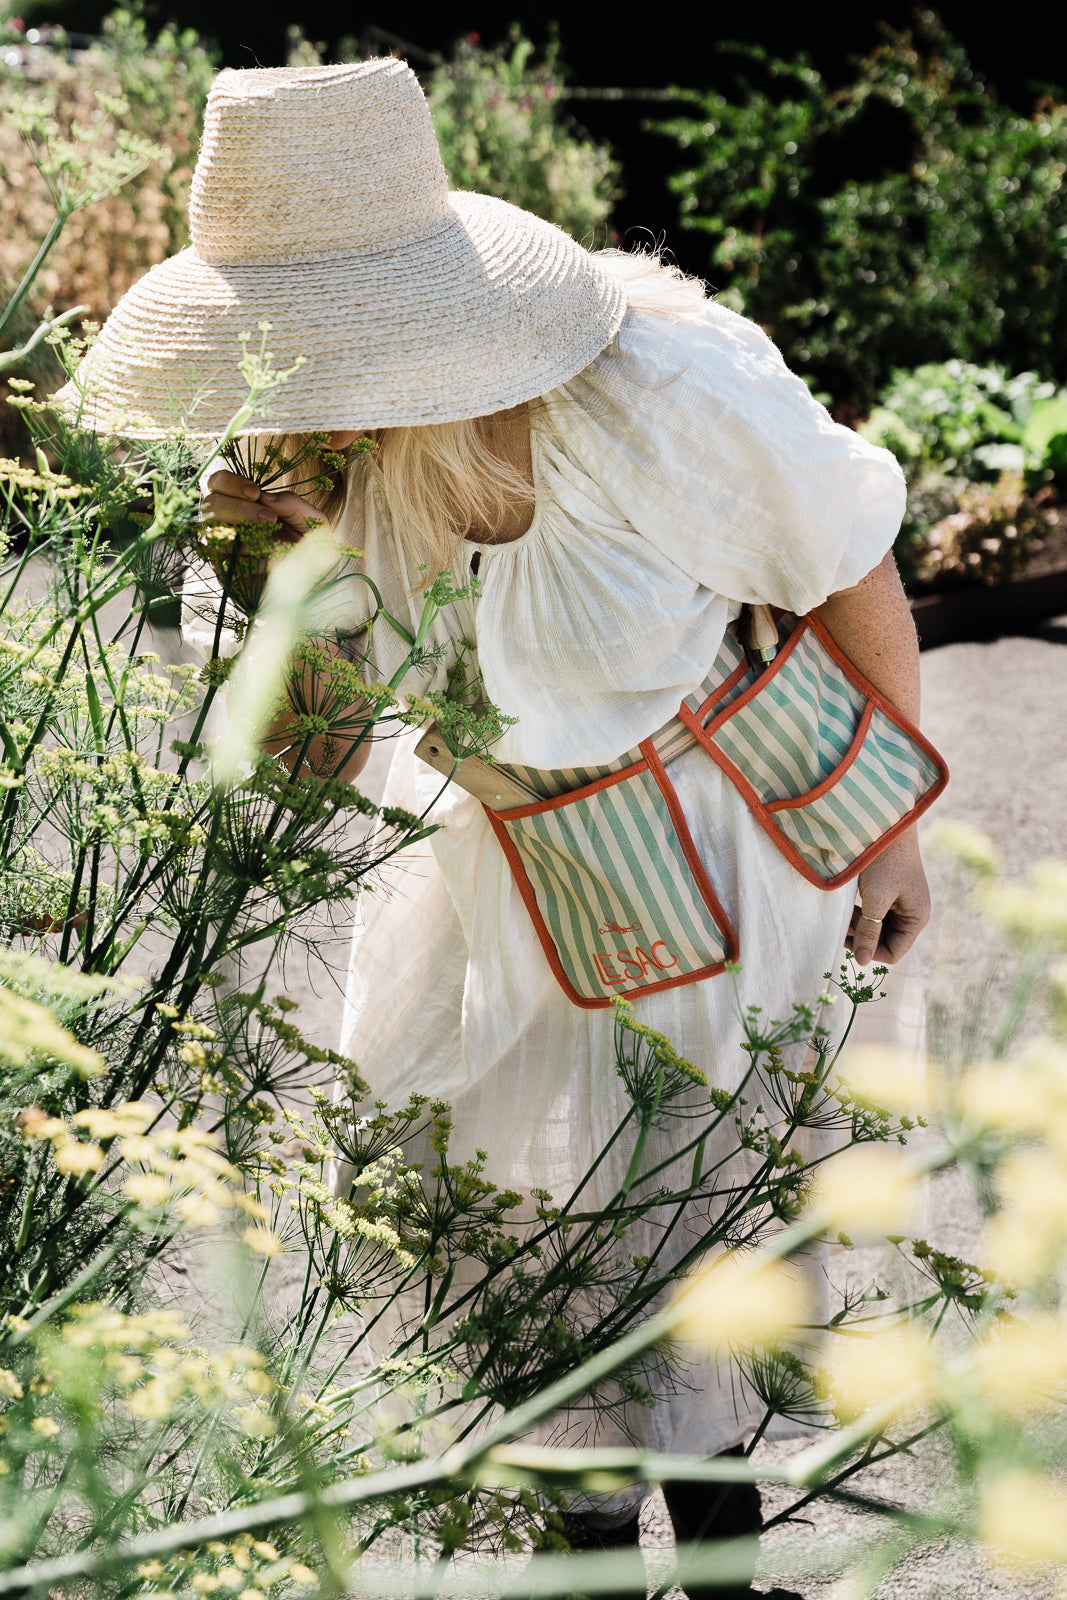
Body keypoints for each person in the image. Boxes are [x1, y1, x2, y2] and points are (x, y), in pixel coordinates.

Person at [58, 58, 941, 1599]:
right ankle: (588, 1560)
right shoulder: (269, 467)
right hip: (494, 876)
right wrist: (300, 593)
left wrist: (893, 837)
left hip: (722, 845)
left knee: (698, 1244)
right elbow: (315, 764)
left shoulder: (656, 387)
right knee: (527, 1248)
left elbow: (848, 557)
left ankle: (723, 1575)